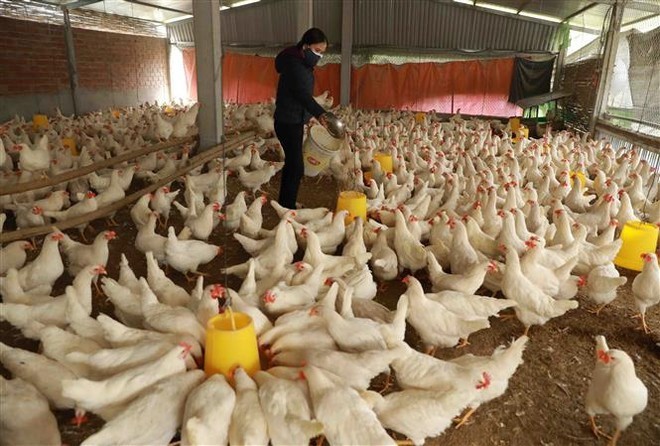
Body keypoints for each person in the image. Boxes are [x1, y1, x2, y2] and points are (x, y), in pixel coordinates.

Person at [273, 27, 330, 210]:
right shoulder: (295, 65)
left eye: (322, 52)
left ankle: (285, 202)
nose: (319, 56)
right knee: (296, 166)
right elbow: (302, 95)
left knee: (293, 164)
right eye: (317, 50)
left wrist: (309, 116)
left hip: (293, 120)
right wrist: (320, 114)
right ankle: (287, 206)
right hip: (287, 122)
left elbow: (301, 97)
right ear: (306, 46)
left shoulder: (302, 63)